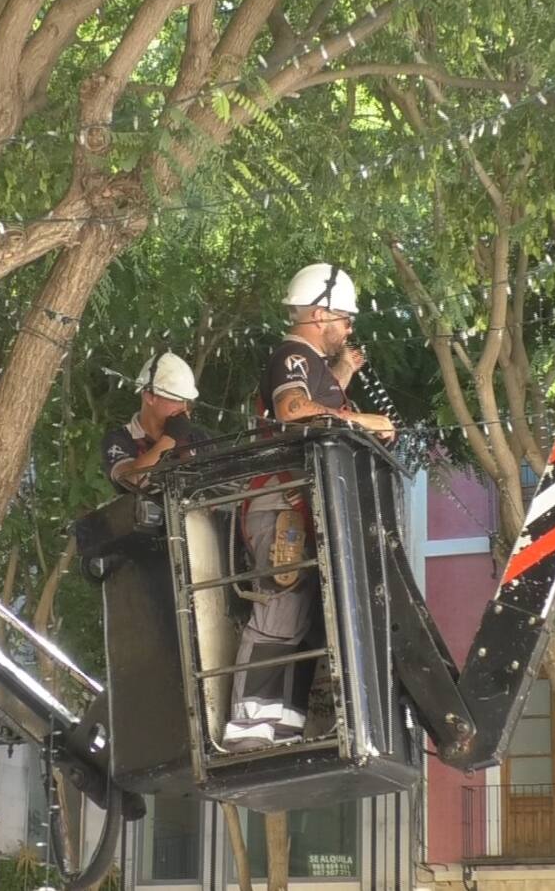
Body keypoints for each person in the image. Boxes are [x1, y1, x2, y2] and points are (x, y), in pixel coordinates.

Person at [222, 263, 395, 752]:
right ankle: (248, 727)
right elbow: (294, 410)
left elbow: (320, 400)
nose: (349, 328)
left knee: (301, 620)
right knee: (279, 609)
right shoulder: (292, 354)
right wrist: (363, 421)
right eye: (344, 318)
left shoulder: (314, 363)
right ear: (320, 313)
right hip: (280, 506)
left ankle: (281, 726)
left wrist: (342, 374)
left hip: (300, 508)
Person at [102, 352, 208, 493]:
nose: (183, 408)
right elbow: (130, 479)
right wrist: (170, 439)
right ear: (150, 396)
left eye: (186, 401)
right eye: (176, 400)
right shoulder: (119, 439)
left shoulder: (197, 437)